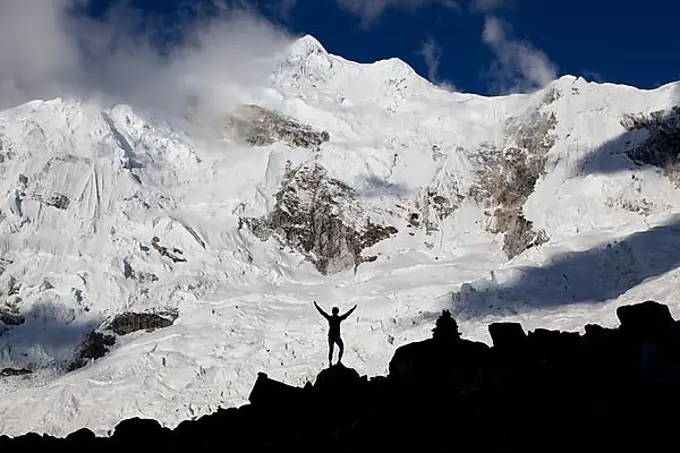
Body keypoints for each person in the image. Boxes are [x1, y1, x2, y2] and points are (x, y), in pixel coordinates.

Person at [314, 301, 357, 367]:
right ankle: (338, 361)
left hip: (331, 336)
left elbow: (322, 312)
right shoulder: (338, 318)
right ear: (337, 312)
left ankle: (330, 363)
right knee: (341, 348)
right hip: (336, 336)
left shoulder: (330, 318)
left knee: (331, 349)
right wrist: (353, 309)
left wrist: (316, 306)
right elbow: (347, 314)